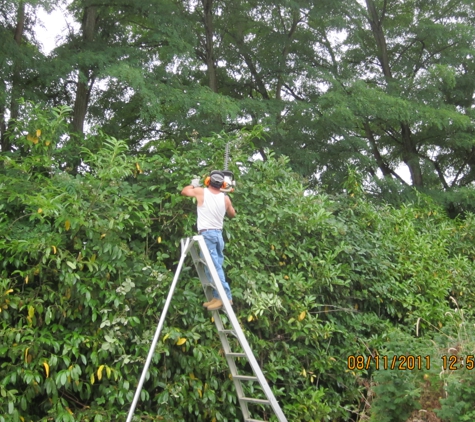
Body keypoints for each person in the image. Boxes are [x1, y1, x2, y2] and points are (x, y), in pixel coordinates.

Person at [181, 171, 236, 311]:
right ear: (222, 184)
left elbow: (184, 191)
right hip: (218, 235)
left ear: (207, 181)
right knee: (211, 266)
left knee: (214, 267)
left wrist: (193, 184)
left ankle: (225, 297)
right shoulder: (225, 198)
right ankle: (218, 296)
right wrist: (226, 195)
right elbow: (232, 214)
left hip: (208, 234)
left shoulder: (201, 192)